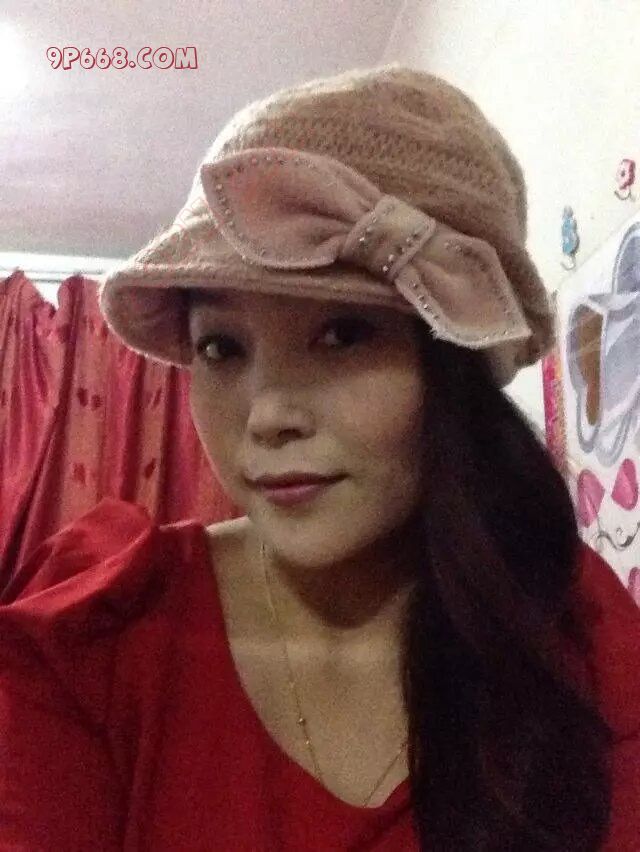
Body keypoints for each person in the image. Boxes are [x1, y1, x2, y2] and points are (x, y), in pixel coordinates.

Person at [0, 65, 638, 852]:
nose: (267, 416)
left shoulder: (573, 633)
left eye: (343, 334)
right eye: (220, 347)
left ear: (456, 369)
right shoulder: (96, 643)